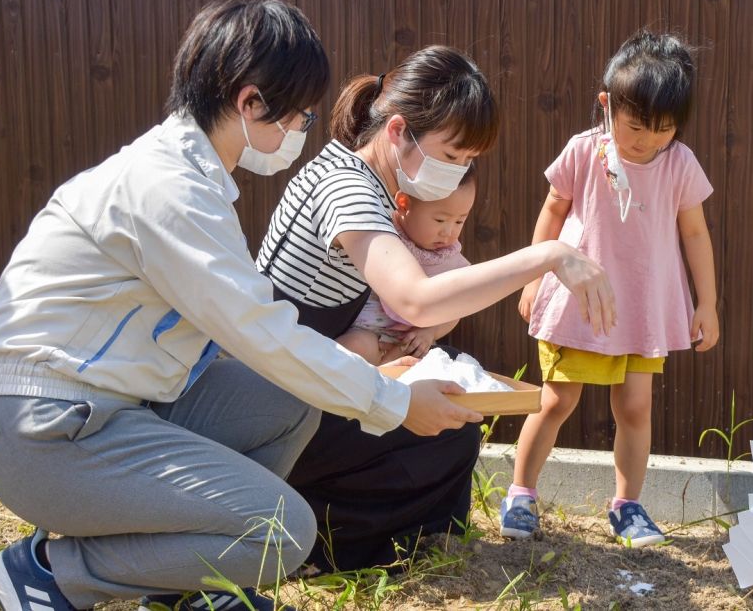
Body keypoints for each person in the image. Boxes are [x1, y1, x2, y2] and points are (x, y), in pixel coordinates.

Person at [0, 0, 485, 611]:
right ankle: (51, 572)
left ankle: (188, 588)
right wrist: (396, 403)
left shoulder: (194, 180)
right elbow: (262, 332)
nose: (300, 132)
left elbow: (265, 344)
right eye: (297, 118)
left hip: (109, 409)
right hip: (49, 429)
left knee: (289, 401)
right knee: (282, 530)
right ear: (249, 103)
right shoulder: (169, 191)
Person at [255, 45, 617, 571]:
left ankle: (394, 545)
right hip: (282, 403)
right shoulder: (348, 188)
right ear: (399, 132)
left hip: (315, 374)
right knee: (442, 430)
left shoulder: (372, 183)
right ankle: (320, 545)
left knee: (454, 424)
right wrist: (548, 255)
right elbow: (415, 300)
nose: (458, 171)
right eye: (452, 157)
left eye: (469, 161)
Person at [502, 31, 720, 546]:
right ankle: (521, 493)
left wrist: (706, 301)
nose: (647, 139)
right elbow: (553, 210)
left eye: (663, 129)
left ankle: (627, 504)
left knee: (636, 409)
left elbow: (694, 232)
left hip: (644, 306)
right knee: (555, 401)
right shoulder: (584, 150)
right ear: (608, 104)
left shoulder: (679, 163)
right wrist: (535, 277)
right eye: (636, 125)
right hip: (579, 302)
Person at [339, 167, 477, 364]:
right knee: (355, 347)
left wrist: (430, 332)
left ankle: (386, 380)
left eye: (459, 221)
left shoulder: (449, 261)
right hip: (362, 329)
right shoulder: (383, 232)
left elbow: (453, 311)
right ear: (403, 204)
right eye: (440, 220)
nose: (448, 231)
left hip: (406, 341)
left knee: (424, 360)